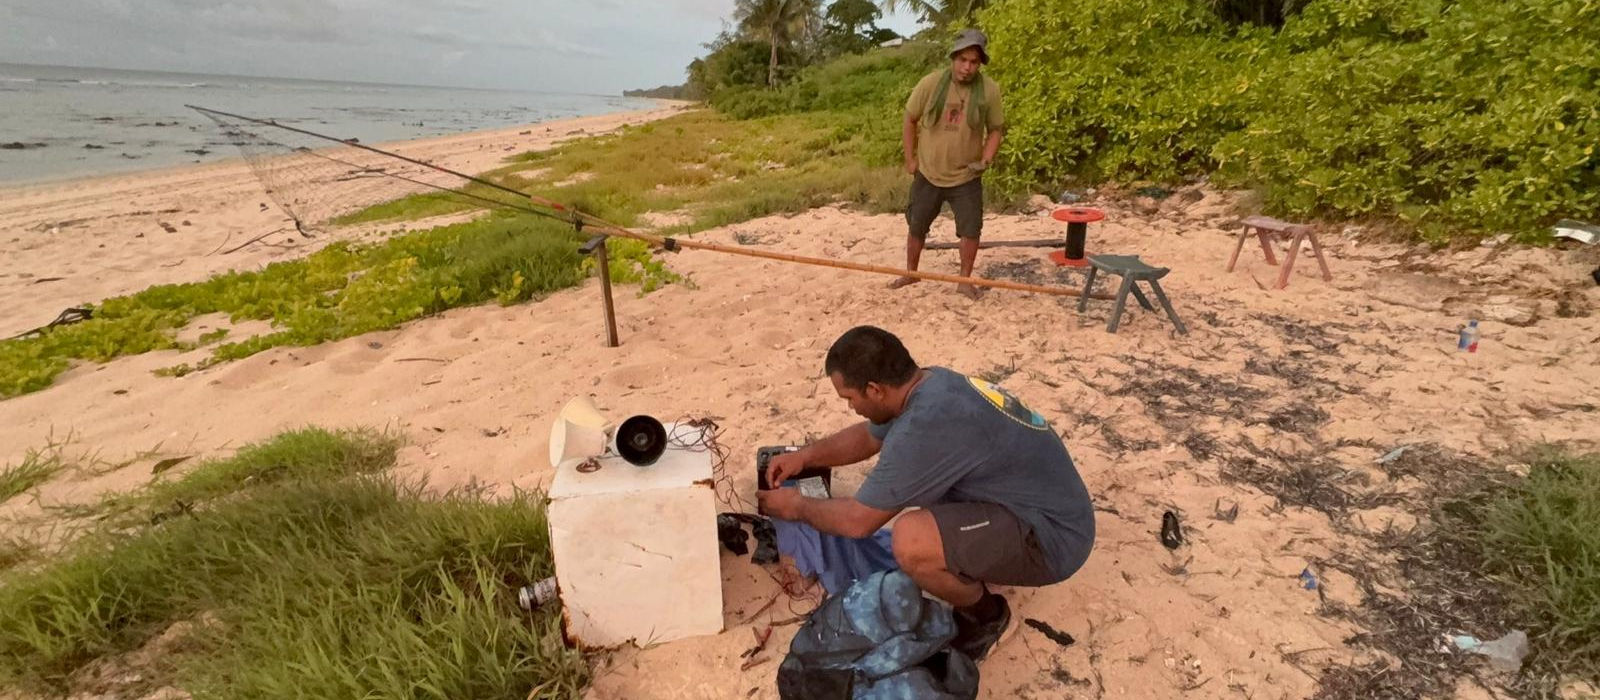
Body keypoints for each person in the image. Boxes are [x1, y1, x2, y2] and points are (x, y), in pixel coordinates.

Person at [756, 326, 1094, 662]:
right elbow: (869, 437)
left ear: (874, 390)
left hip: (1054, 540)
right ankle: (978, 558)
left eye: (849, 398)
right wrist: (806, 456)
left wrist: (797, 506)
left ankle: (989, 618)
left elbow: (859, 521)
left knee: (912, 541)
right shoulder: (932, 385)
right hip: (1046, 505)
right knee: (921, 507)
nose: (850, 407)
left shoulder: (924, 426)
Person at [890, 28, 1007, 300]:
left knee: (970, 229)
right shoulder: (930, 84)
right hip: (928, 172)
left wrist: (986, 160)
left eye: (973, 62)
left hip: (967, 175)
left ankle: (964, 281)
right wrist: (910, 160)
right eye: (962, 60)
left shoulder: (989, 90)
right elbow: (910, 119)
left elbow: (996, 130)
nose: (967, 67)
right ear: (953, 58)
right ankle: (911, 273)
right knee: (917, 225)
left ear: (980, 64)